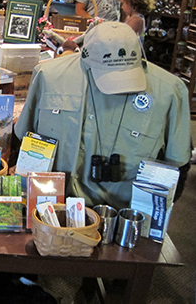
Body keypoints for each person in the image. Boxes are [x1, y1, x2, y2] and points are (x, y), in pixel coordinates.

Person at [13, 22, 191, 210]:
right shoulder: (47, 75)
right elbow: (25, 138)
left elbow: (176, 165)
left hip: (123, 217)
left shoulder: (170, 91)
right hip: (51, 207)